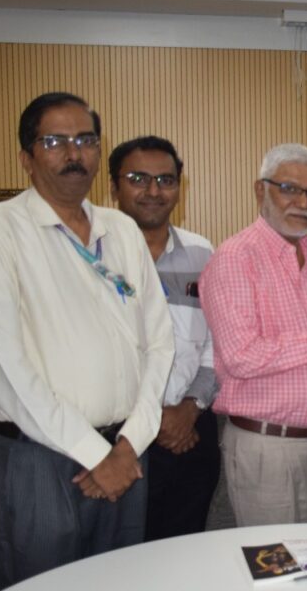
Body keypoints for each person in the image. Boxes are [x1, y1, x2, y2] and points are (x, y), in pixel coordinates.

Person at [0, 92, 174, 587]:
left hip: (126, 451)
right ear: (26, 158)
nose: (73, 154)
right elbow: (4, 365)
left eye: (86, 140)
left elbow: (159, 343)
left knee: (122, 581)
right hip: (42, 457)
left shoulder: (120, 229)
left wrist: (127, 445)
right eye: (54, 141)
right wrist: (95, 455)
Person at [201, 143, 307, 526]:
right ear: (260, 190)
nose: (304, 202)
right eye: (289, 188)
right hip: (268, 447)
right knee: (276, 572)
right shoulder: (235, 258)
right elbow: (241, 357)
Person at [109, 135, 220, 541]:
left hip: (189, 426)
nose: (153, 191)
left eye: (166, 180)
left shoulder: (202, 254)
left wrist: (191, 408)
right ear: (113, 185)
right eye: (138, 178)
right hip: (116, 432)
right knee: (119, 552)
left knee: (184, 544)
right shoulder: (95, 256)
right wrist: (151, 419)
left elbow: (215, 343)